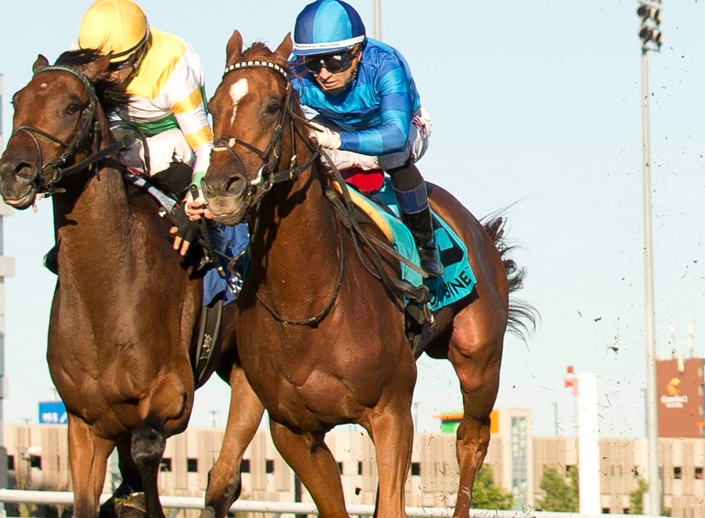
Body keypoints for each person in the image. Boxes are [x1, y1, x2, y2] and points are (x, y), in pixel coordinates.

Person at [63, 0, 246, 300]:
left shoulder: (174, 69)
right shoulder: (90, 53)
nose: (106, 76)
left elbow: (204, 147)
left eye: (116, 67)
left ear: (137, 54)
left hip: (176, 141)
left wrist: (193, 201)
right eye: (101, 68)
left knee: (156, 153)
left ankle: (225, 258)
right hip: (124, 136)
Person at [289, 0, 441, 277]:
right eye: (313, 62)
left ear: (357, 52)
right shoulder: (297, 71)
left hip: (398, 126)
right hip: (334, 128)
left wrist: (338, 141)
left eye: (335, 60)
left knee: (396, 157)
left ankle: (425, 249)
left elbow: (394, 135)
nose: (323, 73)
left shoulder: (386, 63)